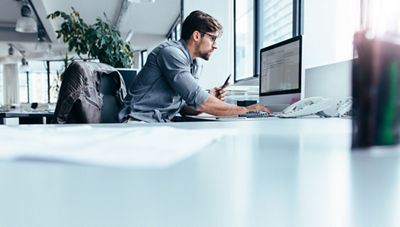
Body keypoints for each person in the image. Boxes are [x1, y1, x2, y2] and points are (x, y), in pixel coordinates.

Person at [119, 10, 270, 123]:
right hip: (136, 122)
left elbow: (185, 108)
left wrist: (209, 97)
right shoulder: (171, 54)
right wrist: (246, 110)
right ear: (197, 36)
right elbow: (199, 101)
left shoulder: (193, 64)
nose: (215, 46)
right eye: (212, 39)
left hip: (156, 123)